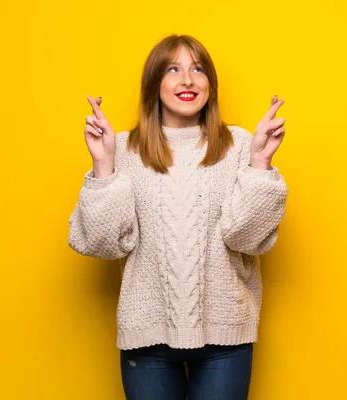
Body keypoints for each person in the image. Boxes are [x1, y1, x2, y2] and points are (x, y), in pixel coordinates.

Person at [68, 34, 288, 400]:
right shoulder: (123, 148)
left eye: (197, 69)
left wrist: (260, 164)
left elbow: (245, 239)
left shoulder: (238, 146)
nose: (187, 79)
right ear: (155, 83)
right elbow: (103, 245)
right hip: (148, 336)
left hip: (225, 338)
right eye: (174, 69)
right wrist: (103, 165)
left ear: (210, 85)